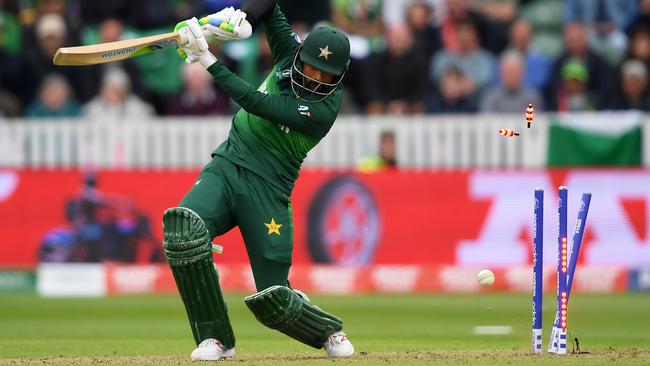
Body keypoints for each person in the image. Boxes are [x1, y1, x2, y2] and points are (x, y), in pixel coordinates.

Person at [163, 0, 354, 361]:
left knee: (273, 302)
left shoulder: (322, 110)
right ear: (299, 58)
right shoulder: (288, 52)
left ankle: (328, 330)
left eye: (325, 76)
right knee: (182, 230)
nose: (315, 79)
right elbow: (270, 5)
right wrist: (238, 17)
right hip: (228, 165)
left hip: (268, 190)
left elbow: (255, 102)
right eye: (311, 69)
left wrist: (208, 60)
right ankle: (215, 339)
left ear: (338, 78)